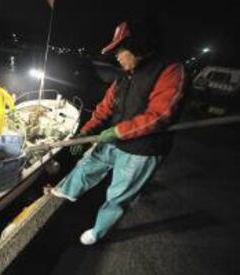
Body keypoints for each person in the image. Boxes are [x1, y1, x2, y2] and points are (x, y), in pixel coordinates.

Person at [51, 20, 186, 245]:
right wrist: (84, 135)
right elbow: (104, 109)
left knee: (119, 195)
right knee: (88, 165)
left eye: (120, 51)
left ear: (138, 48)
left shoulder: (170, 71)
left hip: (143, 149)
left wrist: (117, 130)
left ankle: (98, 231)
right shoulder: (124, 76)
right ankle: (65, 192)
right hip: (115, 139)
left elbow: (160, 115)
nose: (116, 57)